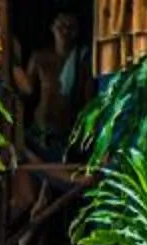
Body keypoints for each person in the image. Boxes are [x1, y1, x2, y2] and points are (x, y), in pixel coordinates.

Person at [11, 10, 91, 158]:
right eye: (61, 26)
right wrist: (12, 62)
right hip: (40, 131)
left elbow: (88, 102)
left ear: (78, 31)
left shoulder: (82, 60)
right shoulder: (40, 57)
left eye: (71, 27)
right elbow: (27, 89)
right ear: (52, 28)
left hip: (66, 133)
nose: (65, 31)